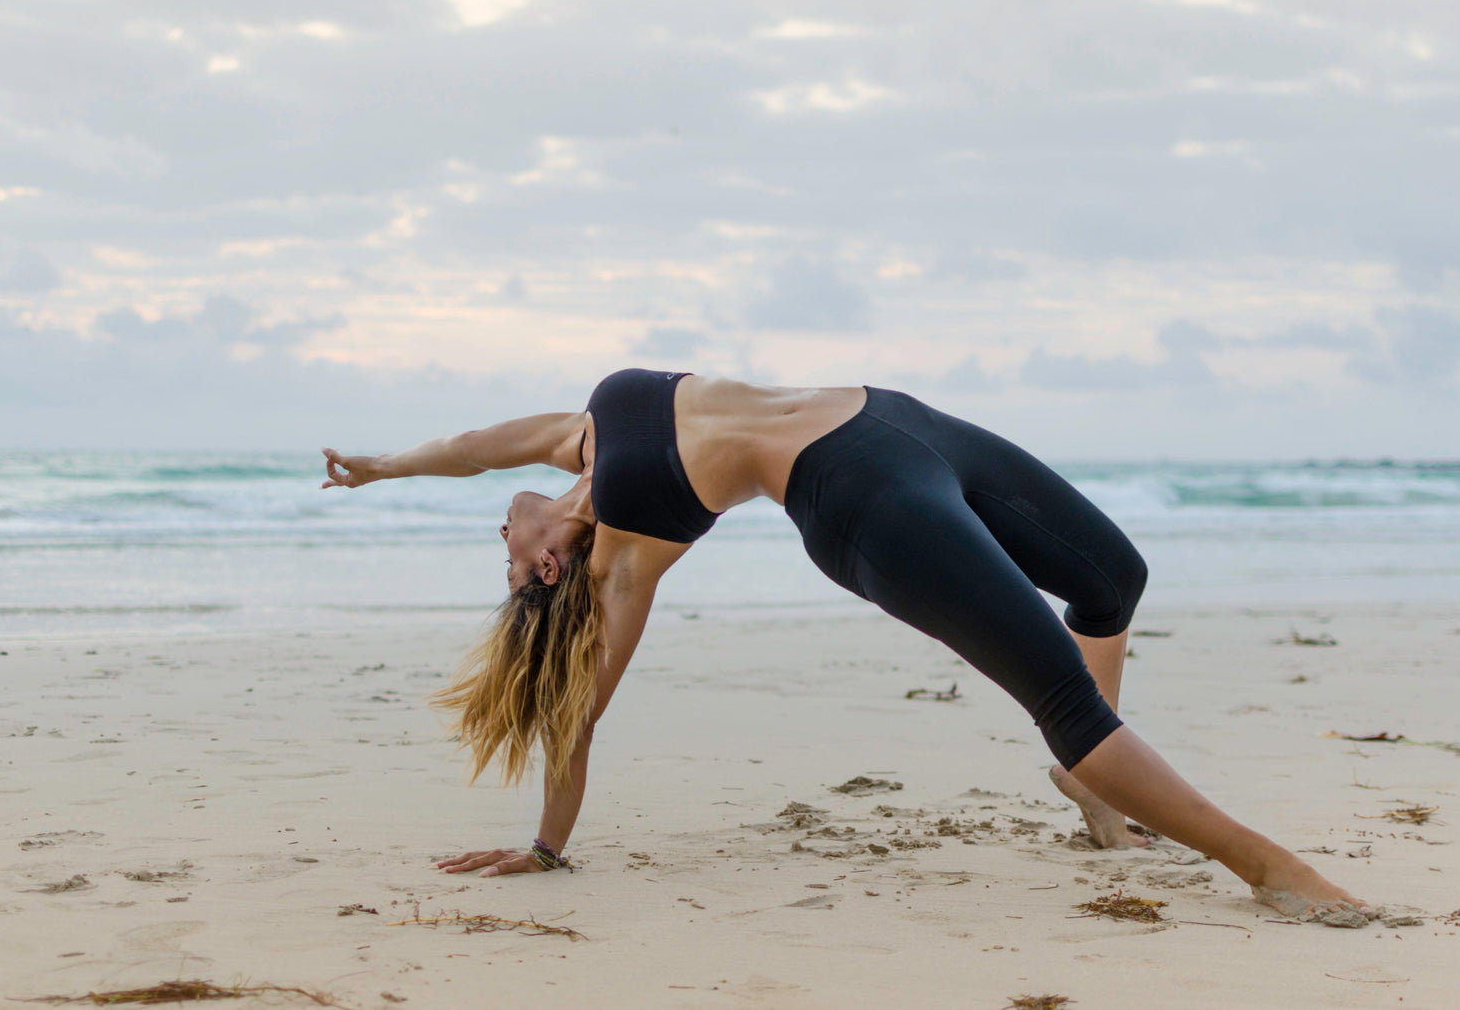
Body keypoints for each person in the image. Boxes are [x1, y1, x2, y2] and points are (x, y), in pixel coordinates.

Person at [321, 368, 1366, 919]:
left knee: (1110, 580)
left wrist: (374, 465)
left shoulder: (584, 430)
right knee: (1063, 697)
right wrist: (548, 847)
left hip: (894, 418)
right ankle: (1261, 864)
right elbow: (581, 713)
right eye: (504, 564)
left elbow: (463, 449)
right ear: (547, 566)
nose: (498, 540)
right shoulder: (623, 556)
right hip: (860, 498)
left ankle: (1093, 791)